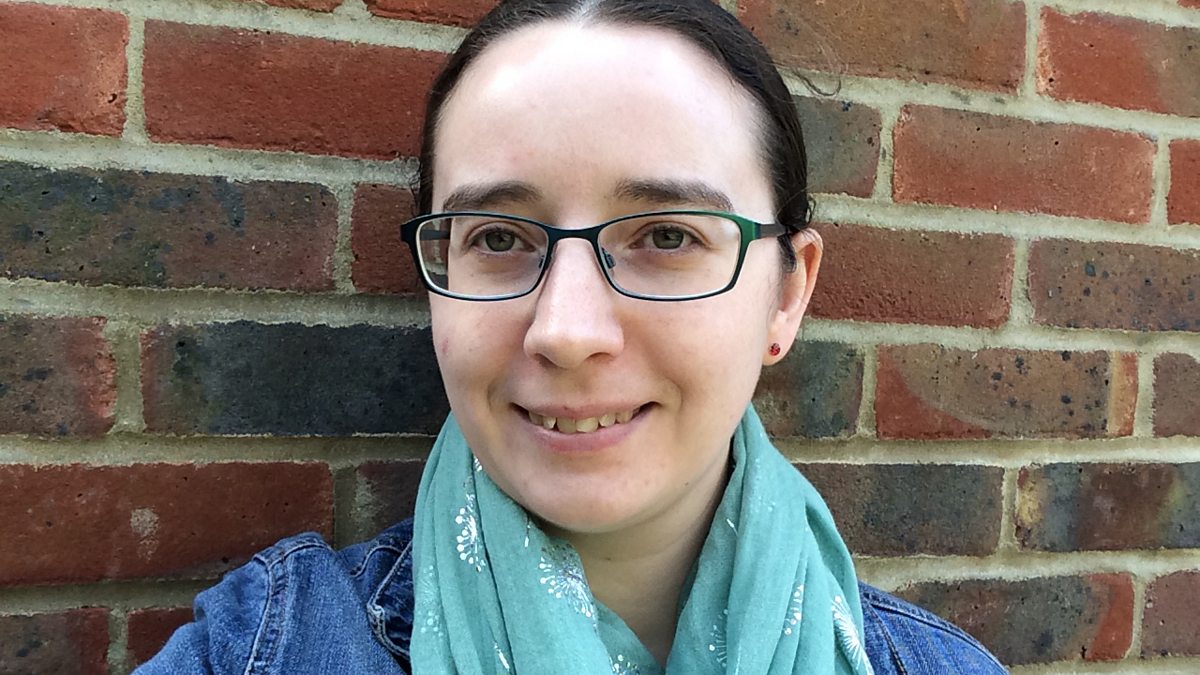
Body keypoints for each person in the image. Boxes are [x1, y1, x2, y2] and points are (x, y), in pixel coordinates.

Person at [139, 1, 1007, 673]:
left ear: (787, 293)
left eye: (667, 235)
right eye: (498, 237)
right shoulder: (267, 648)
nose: (566, 331)